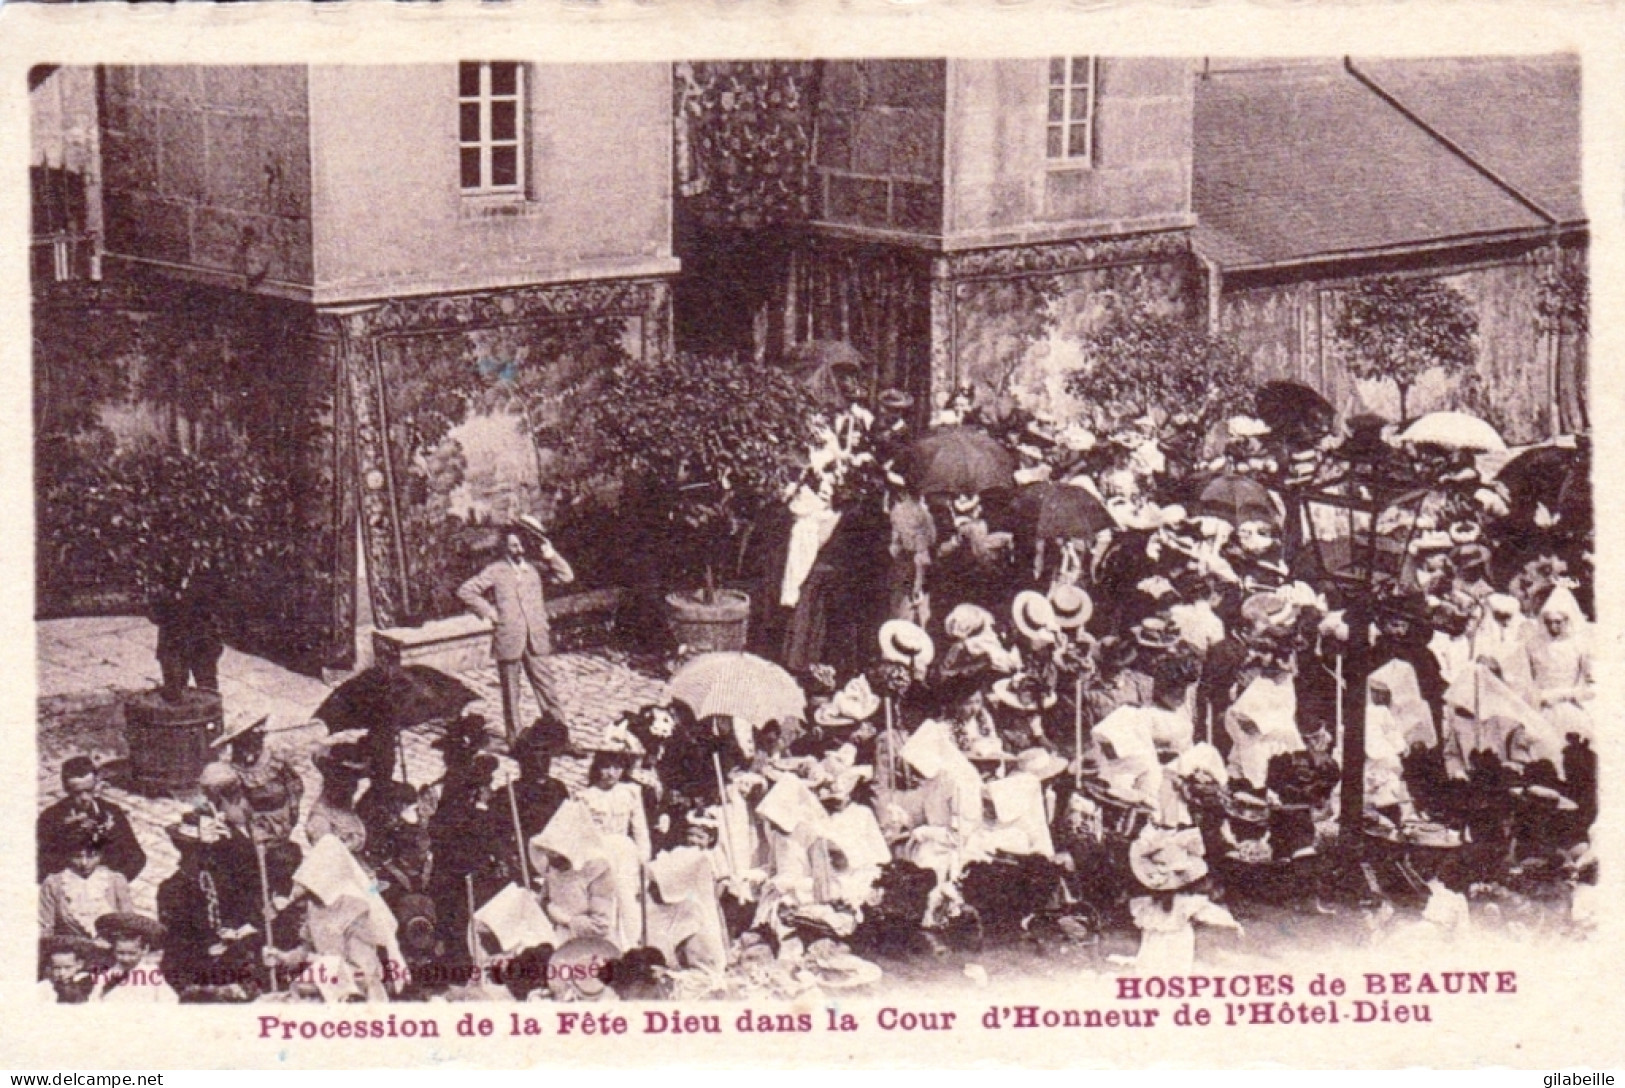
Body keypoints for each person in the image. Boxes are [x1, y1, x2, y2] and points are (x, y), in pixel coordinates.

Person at [458, 515, 576, 742]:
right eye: (512, 545)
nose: (517, 549)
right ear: (505, 546)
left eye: (520, 544)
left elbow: (566, 576)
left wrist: (550, 554)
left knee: (547, 689)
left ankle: (560, 736)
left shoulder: (536, 569)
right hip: (509, 637)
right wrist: (490, 612)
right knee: (511, 693)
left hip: (535, 637)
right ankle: (515, 738)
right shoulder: (496, 570)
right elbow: (466, 591)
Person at [578, 750, 653, 951]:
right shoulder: (586, 796)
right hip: (599, 852)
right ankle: (607, 946)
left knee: (627, 898)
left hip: (625, 852)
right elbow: (582, 832)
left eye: (617, 767)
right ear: (597, 768)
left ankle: (630, 945)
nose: (611, 773)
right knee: (604, 901)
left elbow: (640, 828)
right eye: (606, 767)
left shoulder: (630, 792)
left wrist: (644, 858)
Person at [37, 756, 146, 883]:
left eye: (89, 790)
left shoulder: (111, 812)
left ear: (96, 784)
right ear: (66, 789)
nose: (84, 798)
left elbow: (136, 857)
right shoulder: (50, 817)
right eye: (77, 793)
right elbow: (40, 866)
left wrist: (113, 882)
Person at [211, 716, 304, 846]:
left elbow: (294, 784)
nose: (255, 741)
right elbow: (234, 805)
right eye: (246, 740)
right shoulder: (233, 770)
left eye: (257, 737)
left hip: (282, 816)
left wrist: (293, 808)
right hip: (255, 823)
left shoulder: (274, 759)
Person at [39, 830, 136, 939]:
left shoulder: (116, 881)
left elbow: (128, 925)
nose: (84, 863)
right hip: (71, 951)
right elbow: (46, 928)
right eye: (77, 856)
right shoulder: (53, 884)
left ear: (101, 854)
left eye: (91, 856)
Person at [90, 913, 178, 1004]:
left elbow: (169, 1000)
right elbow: (94, 1001)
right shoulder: (107, 974)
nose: (126, 958)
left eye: (132, 954)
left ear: (144, 950)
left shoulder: (151, 973)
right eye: (120, 953)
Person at [511, 715, 573, 841]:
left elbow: (566, 829)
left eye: (545, 756)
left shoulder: (558, 790)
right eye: (531, 757)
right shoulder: (511, 793)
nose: (539, 762)